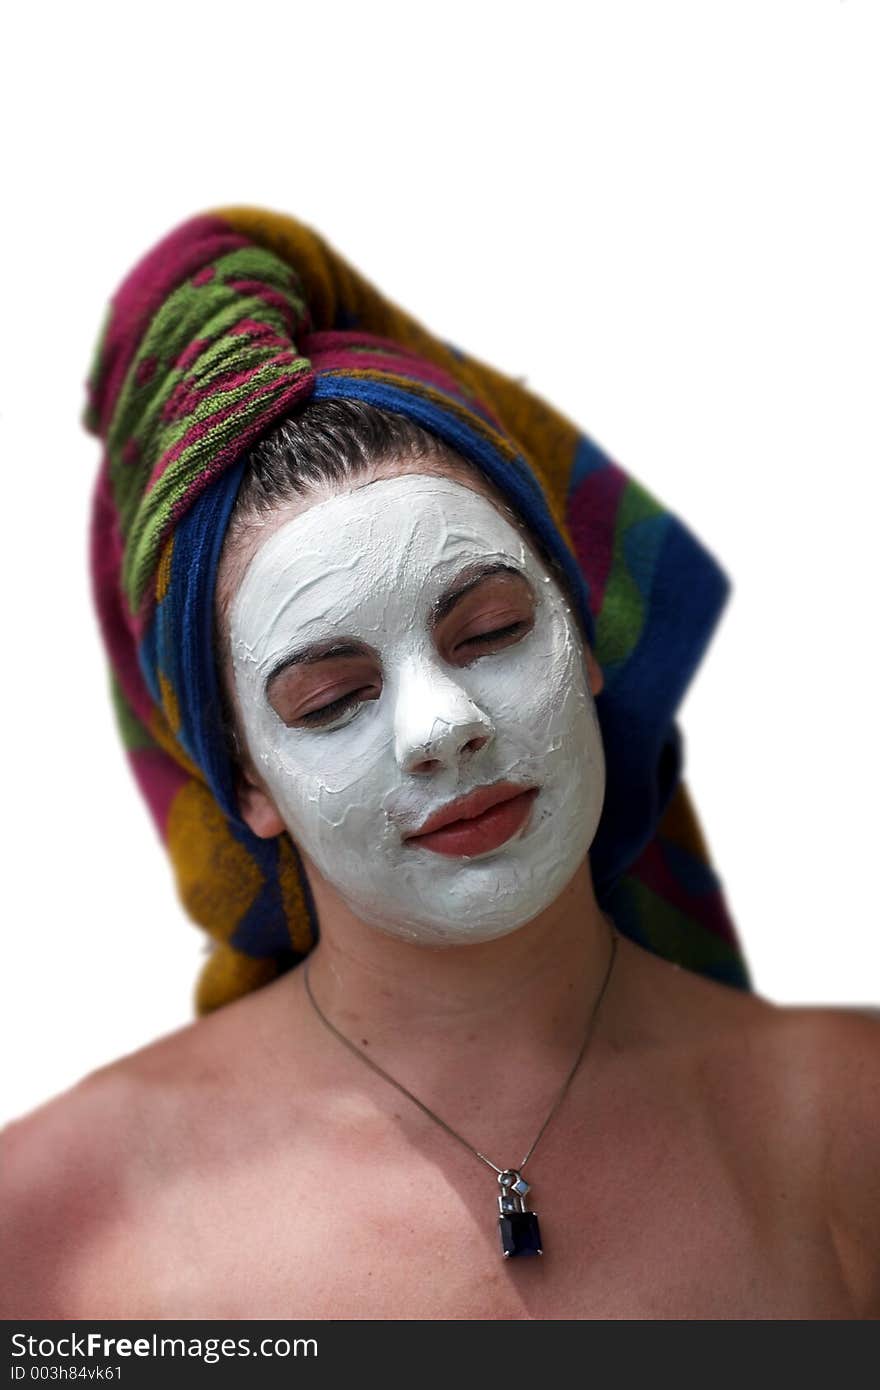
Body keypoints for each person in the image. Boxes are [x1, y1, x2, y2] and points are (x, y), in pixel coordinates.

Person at [1, 208, 878, 1321]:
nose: (440, 724)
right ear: (247, 783)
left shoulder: (851, 1125)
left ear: (582, 639)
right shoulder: (52, 1232)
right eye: (330, 697)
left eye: (491, 631)